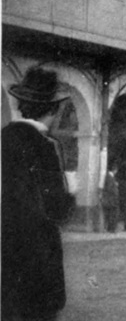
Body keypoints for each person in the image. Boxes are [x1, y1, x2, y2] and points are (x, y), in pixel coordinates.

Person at [2, 67, 75, 321]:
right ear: (53, 109)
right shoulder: (47, 147)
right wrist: (70, 192)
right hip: (37, 265)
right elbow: (58, 210)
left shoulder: (3, 138)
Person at [102, 164, 120, 233]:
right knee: (112, 214)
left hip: (110, 198)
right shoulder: (110, 177)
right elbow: (109, 188)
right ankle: (111, 228)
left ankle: (110, 228)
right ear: (114, 170)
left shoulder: (110, 177)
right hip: (111, 199)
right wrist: (115, 186)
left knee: (111, 214)